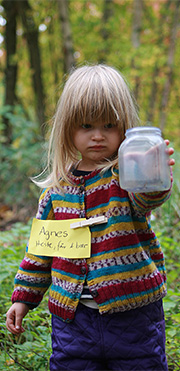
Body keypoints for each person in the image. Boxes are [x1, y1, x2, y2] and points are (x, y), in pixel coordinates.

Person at [6, 64, 175, 371]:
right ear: (68, 128)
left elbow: (148, 198)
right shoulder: (56, 192)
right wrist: (23, 298)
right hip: (74, 322)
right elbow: (40, 253)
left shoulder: (127, 178)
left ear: (124, 127)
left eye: (109, 125)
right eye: (86, 125)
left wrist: (155, 173)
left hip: (133, 315)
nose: (98, 136)